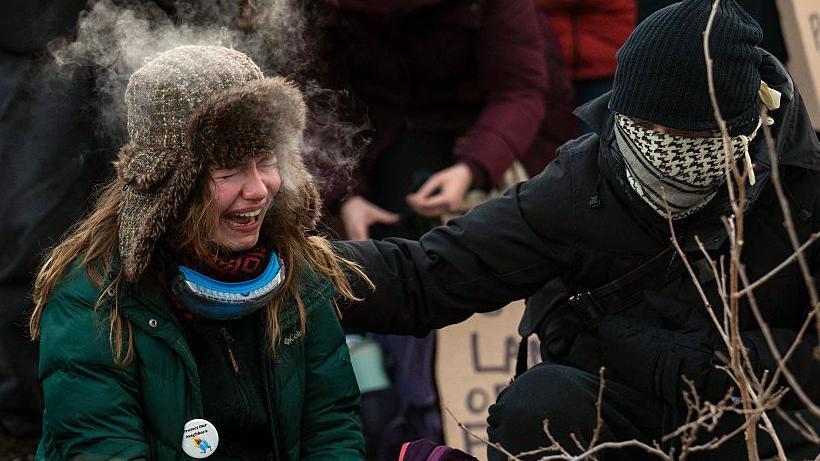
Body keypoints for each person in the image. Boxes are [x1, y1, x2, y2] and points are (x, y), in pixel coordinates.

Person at [335, 0, 820, 459]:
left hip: (767, 413)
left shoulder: (805, 188)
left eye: (685, 140)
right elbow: (431, 272)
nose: (660, 151)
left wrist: (681, 362)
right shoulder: (587, 182)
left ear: (741, 130)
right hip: (624, 414)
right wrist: (304, 271)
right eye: (645, 131)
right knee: (537, 404)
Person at [28, 45, 367, 460]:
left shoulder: (301, 274)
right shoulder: (93, 298)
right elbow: (104, 449)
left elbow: (332, 431)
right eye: (229, 172)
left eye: (266, 161)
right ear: (174, 189)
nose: (259, 189)